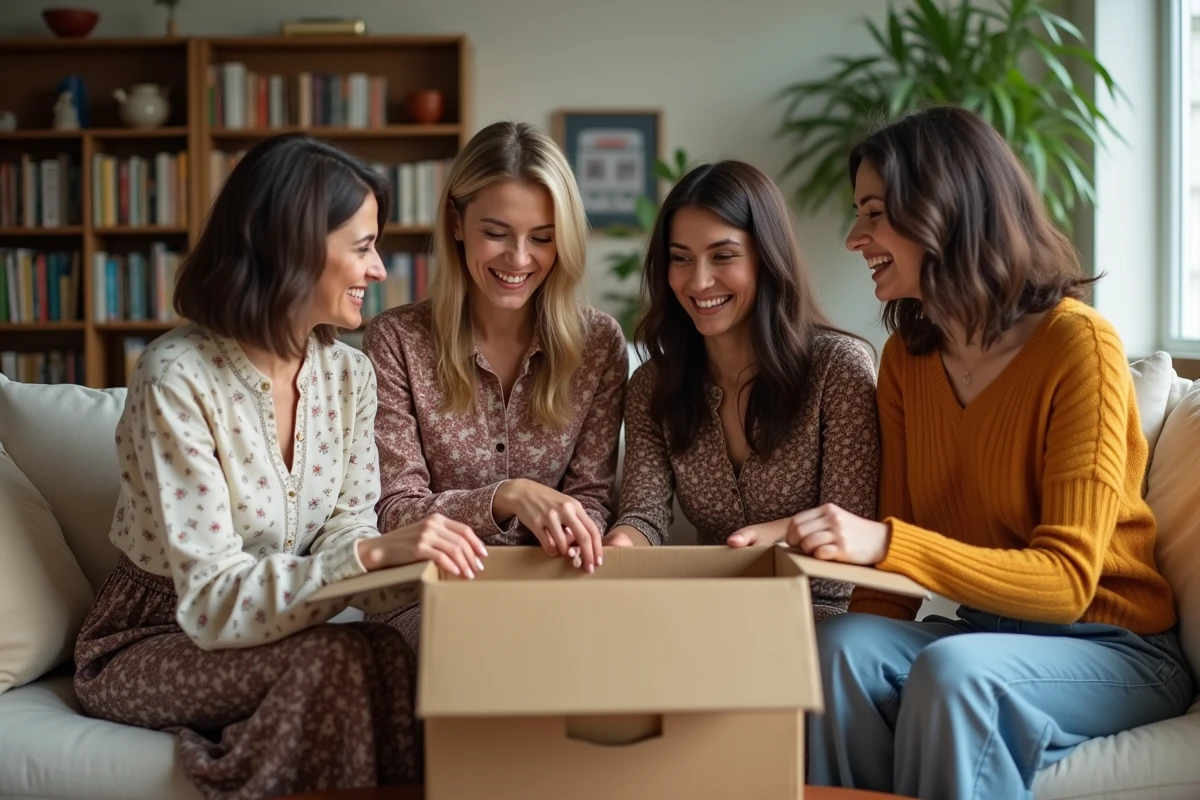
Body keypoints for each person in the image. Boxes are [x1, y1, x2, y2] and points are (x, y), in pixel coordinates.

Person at [791, 106, 1194, 799]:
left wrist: (885, 542)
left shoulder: (1080, 347)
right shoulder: (905, 361)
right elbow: (890, 586)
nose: (857, 237)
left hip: (1112, 648)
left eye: (876, 213)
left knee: (955, 675)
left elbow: (1067, 582)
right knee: (837, 651)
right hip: (984, 633)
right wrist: (859, 613)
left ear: (945, 211)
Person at [73, 133, 487, 799]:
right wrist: (374, 560)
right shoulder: (178, 377)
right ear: (291, 249)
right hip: (153, 636)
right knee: (336, 661)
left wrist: (418, 565)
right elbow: (208, 604)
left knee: (386, 651)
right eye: (362, 247)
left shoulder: (349, 375)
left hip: (290, 627)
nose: (380, 270)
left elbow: (348, 530)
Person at [363, 121, 628, 648]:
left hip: (552, 591)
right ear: (457, 223)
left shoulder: (598, 343)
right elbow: (394, 510)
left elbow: (592, 500)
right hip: (427, 597)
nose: (519, 259)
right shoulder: (396, 340)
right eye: (496, 232)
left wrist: (573, 542)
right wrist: (506, 497)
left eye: (543, 238)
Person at [606, 160, 879, 621]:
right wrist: (618, 547)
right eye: (681, 258)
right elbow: (644, 517)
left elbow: (850, 540)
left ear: (766, 257)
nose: (698, 281)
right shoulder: (652, 384)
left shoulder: (839, 370)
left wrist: (774, 535)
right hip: (711, 611)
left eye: (724, 255)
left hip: (825, 618)